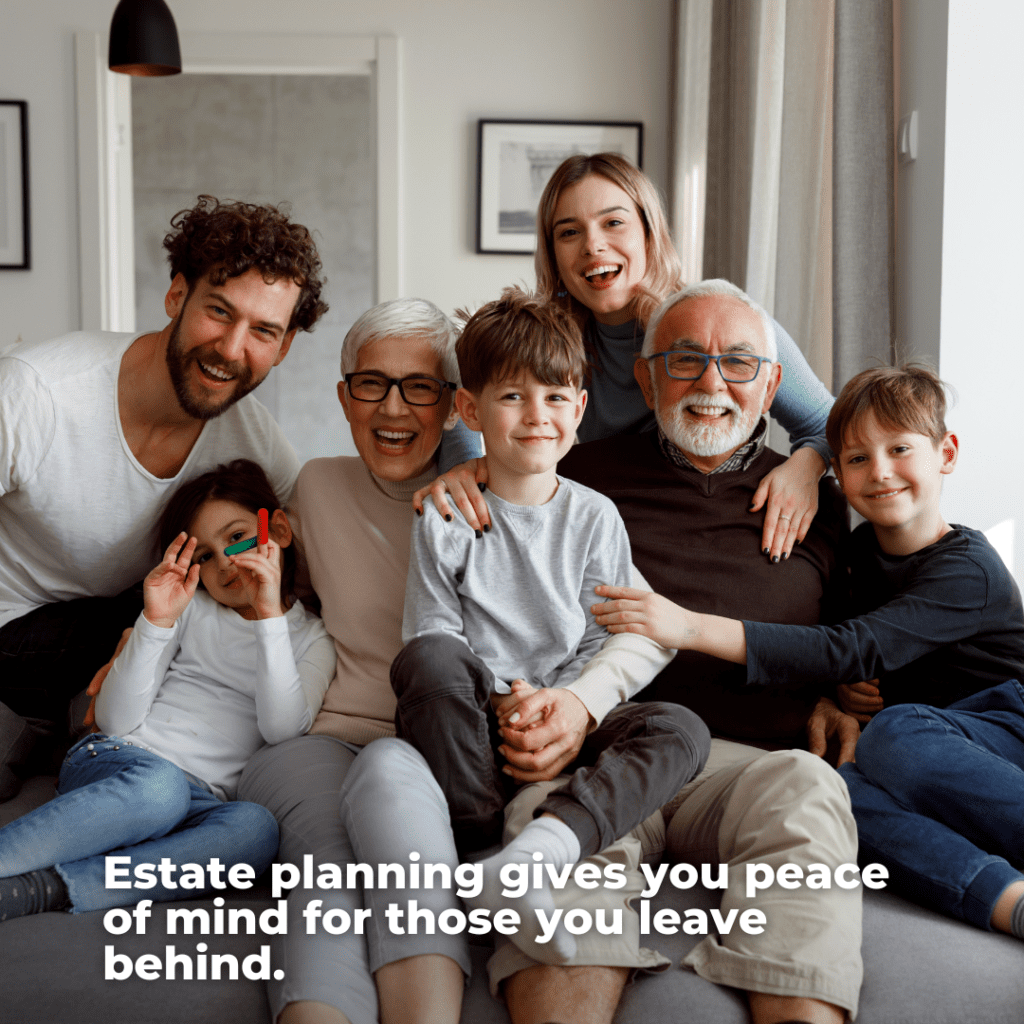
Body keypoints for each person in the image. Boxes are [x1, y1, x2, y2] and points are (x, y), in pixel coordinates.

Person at [598, 364, 1024, 942]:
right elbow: (838, 643)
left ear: (945, 453)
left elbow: (852, 646)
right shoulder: (853, 553)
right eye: (856, 459)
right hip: (921, 752)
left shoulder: (970, 570)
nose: (881, 472)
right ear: (837, 475)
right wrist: (834, 693)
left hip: (1003, 729)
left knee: (896, 734)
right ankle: (1007, 899)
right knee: (834, 788)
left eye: (900, 449)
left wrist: (691, 627)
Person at [554, 280, 860, 1024]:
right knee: (553, 839)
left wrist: (844, 696)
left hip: (753, 764)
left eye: (739, 363)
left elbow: (859, 632)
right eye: (686, 360)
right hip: (609, 749)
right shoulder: (576, 479)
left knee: (811, 792)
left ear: (773, 384)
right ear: (646, 374)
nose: (713, 383)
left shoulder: (819, 499)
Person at [391, 288, 709, 963]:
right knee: (427, 663)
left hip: (571, 727)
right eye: (512, 398)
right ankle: (481, 855)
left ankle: (537, 854)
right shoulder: (447, 514)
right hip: (478, 734)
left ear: (580, 409)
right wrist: (508, 699)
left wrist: (567, 704)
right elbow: (434, 635)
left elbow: (611, 632)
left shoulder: (594, 517)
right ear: (470, 410)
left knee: (681, 728)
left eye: (556, 397)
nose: (538, 416)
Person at [0, 195, 329, 797]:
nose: (232, 348)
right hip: (11, 632)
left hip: (114, 617)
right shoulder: (36, 391)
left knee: (185, 599)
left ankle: (53, 731)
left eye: (263, 331)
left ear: (283, 349)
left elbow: (311, 553)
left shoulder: (256, 442)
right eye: (219, 312)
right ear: (177, 296)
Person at [420, 152, 835, 564]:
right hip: (621, 525)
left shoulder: (721, 324)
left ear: (649, 234)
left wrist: (806, 467)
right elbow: (465, 390)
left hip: (721, 519)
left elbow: (828, 422)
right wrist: (468, 467)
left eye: (613, 222)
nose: (593, 245)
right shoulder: (557, 344)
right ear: (554, 256)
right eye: (569, 233)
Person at [0, 459, 334, 920]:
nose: (226, 563)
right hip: (121, 761)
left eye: (238, 537)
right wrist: (155, 622)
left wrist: (269, 616)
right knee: (159, 790)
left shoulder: (312, 638)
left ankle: (45, 889)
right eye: (204, 556)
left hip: (199, 799)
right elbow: (115, 720)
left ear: (276, 530)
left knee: (255, 829)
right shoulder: (191, 610)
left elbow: (281, 729)